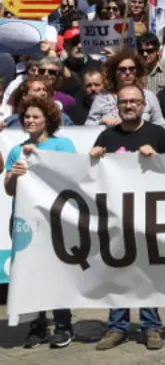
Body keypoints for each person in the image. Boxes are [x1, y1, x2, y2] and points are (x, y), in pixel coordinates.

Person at [91, 84, 165, 351]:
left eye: (134, 102)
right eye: (124, 102)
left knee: (146, 271)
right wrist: (92, 158)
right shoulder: (106, 137)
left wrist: (159, 157)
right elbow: (90, 179)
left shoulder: (157, 133)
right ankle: (117, 327)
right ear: (118, 105)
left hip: (148, 216)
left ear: (144, 106)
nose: (129, 106)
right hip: (116, 219)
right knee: (117, 272)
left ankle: (151, 327)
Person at [4, 96, 76, 349]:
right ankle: (37, 326)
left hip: (54, 220)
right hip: (25, 222)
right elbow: (10, 190)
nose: (30, 121)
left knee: (57, 272)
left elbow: (71, 178)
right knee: (31, 273)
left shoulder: (63, 145)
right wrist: (13, 174)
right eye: (27, 117)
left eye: (36, 117)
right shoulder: (17, 150)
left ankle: (64, 324)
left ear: (48, 119)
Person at [85, 50, 165, 128]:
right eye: (122, 69)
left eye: (132, 69)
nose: (127, 72)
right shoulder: (101, 99)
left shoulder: (149, 96)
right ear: (114, 72)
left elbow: (161, 123)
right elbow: (87, 127)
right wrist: (101, 122)